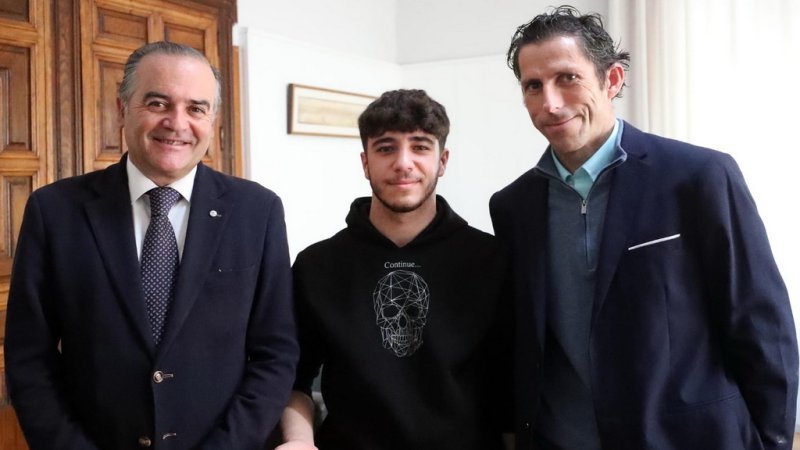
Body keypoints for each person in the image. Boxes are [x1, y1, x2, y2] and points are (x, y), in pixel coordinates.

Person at [489, 5, 798, 450]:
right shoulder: (512, 207)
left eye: (567, 78)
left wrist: (772, 441)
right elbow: (519, 342)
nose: (550, 103)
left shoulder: (699, 177)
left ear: (612, 80)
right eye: (533, 86)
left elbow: (762, 327)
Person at [4, 41, 298, 450]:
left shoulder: (258, 211)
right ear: (122, 109)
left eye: (196, 108)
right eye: (158, 103)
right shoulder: (54, 211)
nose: (177, 123)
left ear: (212, 120)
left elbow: (276, 353)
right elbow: (28, 356)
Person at [277, 89, 513, 450]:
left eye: (420, 147)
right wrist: (299, 442)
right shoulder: (317, 265)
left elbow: (510, 388)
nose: (403, 163)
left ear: (442, 161)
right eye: (386, 148)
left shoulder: (491, 260)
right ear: (365, 163)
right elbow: (292, 379)